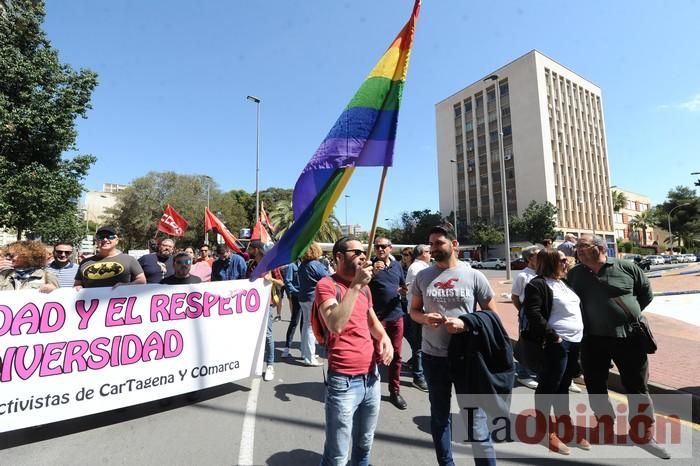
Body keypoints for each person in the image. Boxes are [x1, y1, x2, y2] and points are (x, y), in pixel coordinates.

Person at [568, 234, 670, 459]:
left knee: (637, 387)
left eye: (583, 246)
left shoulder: (627, 268)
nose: (579, 251)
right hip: (592, 339)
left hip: (629, 337)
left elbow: (645, 294)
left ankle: (643, 434)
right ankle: (604, 426)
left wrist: (626, 315)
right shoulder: (574, 274)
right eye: (577, 248)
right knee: (595, 384)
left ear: (600, 248)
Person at [410, 225, 498, 466]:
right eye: (431, 244)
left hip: (466, 358)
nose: (433, 248)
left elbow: (493, 315)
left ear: (454, 244)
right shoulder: (423, 276)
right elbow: (414, 312)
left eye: (439, 243)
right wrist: (425, 318)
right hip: (432, 357)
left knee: (475, 421)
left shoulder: (473, 276)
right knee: (439, 418)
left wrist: (466, 323)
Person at [315, 236, 393, 466]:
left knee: (364, 443)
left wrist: (384, 337)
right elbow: (335, 324)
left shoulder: (365, 290)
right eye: (356, 252)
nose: (363, 255)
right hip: (344, 382)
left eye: (363, 251)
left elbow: (371, 322)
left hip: (371, 377)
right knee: (337, 454)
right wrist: (356, 285)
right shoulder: (326, 286)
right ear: (339, 256)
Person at [522, 249, 590, 454]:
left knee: (563, 386)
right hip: (556, 343)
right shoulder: (537, 284)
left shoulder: (563, 283)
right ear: (551, 262)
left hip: (574, 342)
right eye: (562, 260)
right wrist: (553, 336)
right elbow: (532, 312)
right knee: (549, 385)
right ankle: (544, 431)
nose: (566, 262)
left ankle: (565, 427)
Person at [368, 236, 408, 409]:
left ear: (390, 248)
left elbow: (403, 287)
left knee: (397, 356)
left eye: (384, 246)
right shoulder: (370, 266)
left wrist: (404, 291)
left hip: (396, 316)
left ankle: (394, 391)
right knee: (375, 355)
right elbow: (360, 286)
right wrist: (371, 274)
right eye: (377, 246)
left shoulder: (397, 266)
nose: (380, 249)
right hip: (377, 319)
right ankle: (370, 390)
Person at [247, 240, 284, 381]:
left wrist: (271, 280)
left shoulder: (271, 265)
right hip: (252, 306)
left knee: (268, 335)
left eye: (250, 248)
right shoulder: (250, 265)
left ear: (256, 250)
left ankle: (270, 365)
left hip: (266, 305)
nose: (248, 250)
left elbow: (282, 283)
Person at [510, 244, 541, 389]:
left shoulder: (544, 272)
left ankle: (538, 371)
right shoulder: (523, 275)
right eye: (538, 255)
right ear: (530, 258)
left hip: (543, 313)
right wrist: (523, 312)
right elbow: (515, 297)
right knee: (526, 343)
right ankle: (523, 374)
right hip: (528, 313)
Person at [74, 226, 146, 289]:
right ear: (96, 241)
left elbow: (142, 281)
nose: (105, 240)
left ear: (116, 240)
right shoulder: (85, 262)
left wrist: (127, 286)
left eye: (110, 236)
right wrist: (78, 287)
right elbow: (77, 284)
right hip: (91, 303)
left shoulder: (129, 260)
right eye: (101, 237)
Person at [403, 244, 431, 392]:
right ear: (421, 254)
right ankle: (418, 377)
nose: (430, 253)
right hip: (418, 312)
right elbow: (419, 292)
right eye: (428, 251)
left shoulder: (420, 267)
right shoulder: (418, 269)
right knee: (419, 345)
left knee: (419, 344)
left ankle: (415, 366)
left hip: (419, 311)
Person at [298, 242, 330, 367]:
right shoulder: (315, 265)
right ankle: (310, 357)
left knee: (307, 326)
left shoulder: (303, 265)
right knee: (311, 328)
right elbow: (328, 278)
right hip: (312, 298)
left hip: (303, 297)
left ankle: (305, 352)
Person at [281, 260, 302, 359]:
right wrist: (295, 291)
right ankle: (287, 347)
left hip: (306, 296)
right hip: (297, 296)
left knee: (305, 324)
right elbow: (287, 281)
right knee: (294, 321)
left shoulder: (306, 264)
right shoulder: (291, 266)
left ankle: (304, 348)